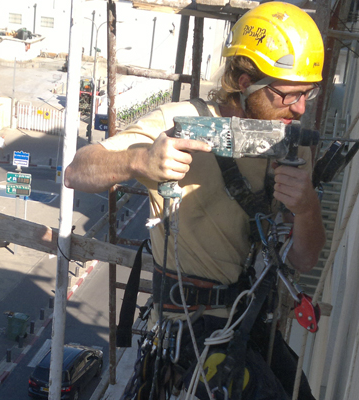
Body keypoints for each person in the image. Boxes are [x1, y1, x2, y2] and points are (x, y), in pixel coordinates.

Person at [65, 2, 325, 399]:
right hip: (188, 327)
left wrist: (306, 209)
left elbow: (304, 260)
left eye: (308, 93)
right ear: (243, 79)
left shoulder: (290, 147)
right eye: (287, 95)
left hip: (251, 321)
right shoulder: (179, 124)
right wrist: (140, 160)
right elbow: (77, 170)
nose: (300, 107)